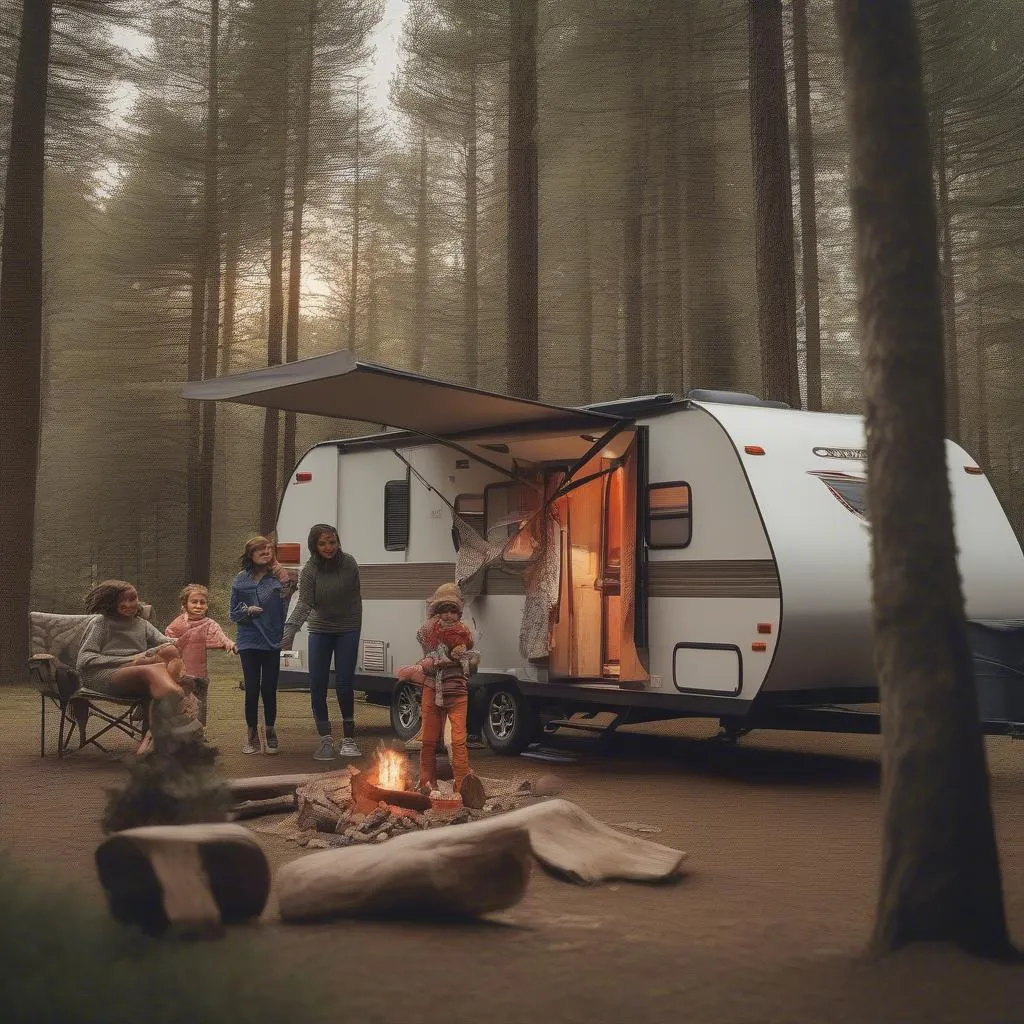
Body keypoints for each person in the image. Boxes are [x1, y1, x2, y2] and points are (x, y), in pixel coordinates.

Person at [76, 579, 193, 752]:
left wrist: (185, 639)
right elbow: (84, 659)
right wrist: (133, 659)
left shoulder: (142, 624)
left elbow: (165, 644)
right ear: (112, 602)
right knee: (152, 668)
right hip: (104, 675)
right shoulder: (101, 623)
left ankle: (151, 737)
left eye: (133, 599)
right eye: (123, 600)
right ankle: (180, 698)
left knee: (168, 652)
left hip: (141, 673)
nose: (129, 604)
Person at [281, 524, 362, 761]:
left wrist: (349, 622)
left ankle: (348, 739)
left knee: (345, 682)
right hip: (320, 629)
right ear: (314, 546)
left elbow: (351, 598)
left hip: (348, 627)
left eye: (332, 542)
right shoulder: (309, 571)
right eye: (323, 543)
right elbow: (305, 603)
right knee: (318, 682)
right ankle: (325, 738)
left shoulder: (349, 564)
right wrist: (291, 630)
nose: (329, 547)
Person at [403, 582, 484, 807]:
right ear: (435, 613)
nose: (448, 615)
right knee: (429, 740)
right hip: (432, 690)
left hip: (457, 692)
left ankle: (462, 784)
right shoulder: (429, 631)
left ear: (459, 612)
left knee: (458, 740)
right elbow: (428, 647)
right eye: (443, 610)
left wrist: (465, 657)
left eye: (453, 610)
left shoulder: (465, 632)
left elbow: (471, 657)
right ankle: (428, 782)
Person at [230, 536, 293, 756]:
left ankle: (270, 730)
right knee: (252, 689)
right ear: (250, 555)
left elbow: (287, 602)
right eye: (260, 549)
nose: (266, 552)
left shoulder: (277, 578)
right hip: (248, 640)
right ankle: (251, 735)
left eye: (269, 548)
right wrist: (247, 611)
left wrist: (285, 581)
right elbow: (233, 613)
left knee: (269, 689)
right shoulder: (241, 580)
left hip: (272, 640)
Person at [164, 583, 238, 726]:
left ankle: (199, 736)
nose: (198, 606)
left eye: (202, 602)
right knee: (181, 708)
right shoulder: (177, 624)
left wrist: (231, 644)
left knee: (200, 708)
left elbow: (221, 637)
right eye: (194, 602)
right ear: (185, 604)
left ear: (207, 605)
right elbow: (168, 643)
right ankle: (179, 737)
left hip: (201, 676)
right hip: (181, 676)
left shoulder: (210, 623)